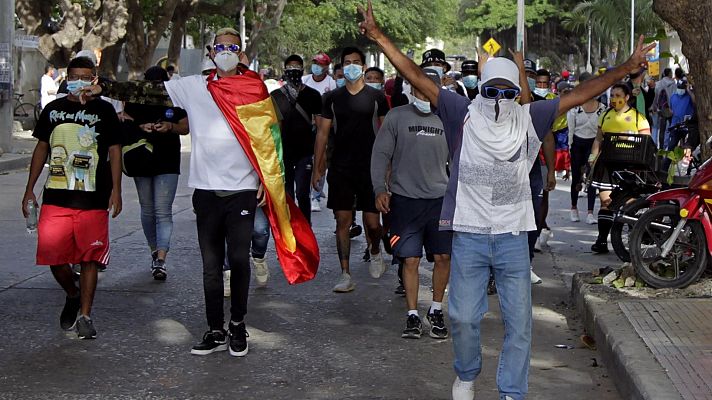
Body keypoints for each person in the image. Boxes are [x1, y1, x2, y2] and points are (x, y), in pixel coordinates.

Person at [357, 2, 654, 398]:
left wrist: (627, 66)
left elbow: (585, 91)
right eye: (491, 89)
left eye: (506, 91)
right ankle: (466, 373)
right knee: (462, 316)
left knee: (520, 322)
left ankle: (511, 392)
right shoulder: (459, 110)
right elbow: (412, 73)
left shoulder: (531, 116)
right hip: (469, 235)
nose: (498, 97)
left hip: (514, 237)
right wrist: (378, 36)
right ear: (482, 89)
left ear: (516, 92)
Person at [86, 28, 267, 357]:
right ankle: (215, 329)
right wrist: (107, 87)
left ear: (242, 53)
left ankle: (238, 325)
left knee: (239, 260)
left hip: (242, 188)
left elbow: (268, 138)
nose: (226, 51)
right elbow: (150, 92)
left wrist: (267, 181)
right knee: (211, 266)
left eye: (233, 47)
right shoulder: (196, 86)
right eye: (221, 46)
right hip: (206, 189)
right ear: (211, 52)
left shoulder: (254, 88)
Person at [22, 56, 122, 339]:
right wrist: (30, 189)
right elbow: (41, 148)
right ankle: (72, 292)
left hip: (93, 197)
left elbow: (115, 151)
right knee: (53, 256)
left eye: (85, 77)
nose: (79, 81)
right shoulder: (53, 109)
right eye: (74, 76)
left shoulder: (104, 111)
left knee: (89, 257)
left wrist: (117, 189)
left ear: (94, 79)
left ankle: (85, 315)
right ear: (67, 77)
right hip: (56, 197)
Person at [371, 67, 451, 340]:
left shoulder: (449, 118)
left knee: (443, 257)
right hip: (405, 200)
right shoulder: (396, 116)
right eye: (419, 85)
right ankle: (413, 315)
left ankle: (437, 309)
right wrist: (379, 188)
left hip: (440, 200)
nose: (424, 91)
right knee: (411, 259)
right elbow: (380, 155)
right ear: (411, 87)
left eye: (430, 86)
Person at [312, 46, 389, 293]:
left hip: (371, 168)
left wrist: (389, 168)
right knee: (342, 221)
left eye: (356, 62)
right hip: (341, 168)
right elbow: (322, 134)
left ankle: (375, 250)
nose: (352, 66)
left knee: (372, 223)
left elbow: (386, 132)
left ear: (364, 67)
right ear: (341, 67)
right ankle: (345, 273)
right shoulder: (332, 99)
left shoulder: (376, 98)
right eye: (347, 62)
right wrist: (318, 168)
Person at [123, 66, 189, 281]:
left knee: (163, 211)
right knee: (148, 209)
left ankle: (161, 258)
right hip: (141, 159)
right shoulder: (135, 100)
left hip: (167, 160)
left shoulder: (175, 99)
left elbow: (185, 127)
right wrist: (142, 127)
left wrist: (169, 126)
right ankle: (154, 249)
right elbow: (126, 123)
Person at [589, 83, 651, 254]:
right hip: (607, 164)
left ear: (627, 97)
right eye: (612, 96)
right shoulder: (605, 115)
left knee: (630, 204)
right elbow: (598, 140)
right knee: (606, 202)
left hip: (630, 166)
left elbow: (647, 143)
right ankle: (602, 241)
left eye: (618, 96)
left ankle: (635, 240)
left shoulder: (639, 118)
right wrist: (592, 158)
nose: (614, 99)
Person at [270, 54, 322, 224]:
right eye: (290, 68)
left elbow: (321, 126)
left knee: (302, 192)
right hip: (284, 152)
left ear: (302, 70)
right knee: (288, 193)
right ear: (285, 71)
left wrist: (320, 156)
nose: (293, 71)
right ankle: (290, 226)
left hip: (305, 152)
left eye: (297, 68)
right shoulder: (276, 95)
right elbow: (274, 126)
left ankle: (306, 225)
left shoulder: (313, 95)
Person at [567, 72, 605, 224]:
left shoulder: (602, 108)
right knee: (576, 177)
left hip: (593, 145)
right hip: (577, 145)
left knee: (592, 177)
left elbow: (602, 130)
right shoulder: (574, 108)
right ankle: (573, 207)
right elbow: (571, 130)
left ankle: (590, 212)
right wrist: (570, 148)